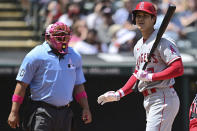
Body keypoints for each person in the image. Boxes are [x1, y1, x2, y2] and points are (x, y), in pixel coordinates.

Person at [97, 1, 184, 131]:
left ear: (153, 18)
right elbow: (137, 74)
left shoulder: (163, 41)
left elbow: (178, 68)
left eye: (145, 15)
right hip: (149, 98)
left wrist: (151, 76)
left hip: (162, 95)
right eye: (138, 16)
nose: (140, 19)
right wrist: (119, 93)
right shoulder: (138, 45)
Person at [7, 22, 92, 131]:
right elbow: (21, 85)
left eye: (65, 37)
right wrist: (14, 112)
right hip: (41, 111)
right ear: (48, 37)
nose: (63, 41)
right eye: (59, 38)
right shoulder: (35, 55)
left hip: (65, 113)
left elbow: (79, 85)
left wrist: (86, 108)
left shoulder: (74, 56)